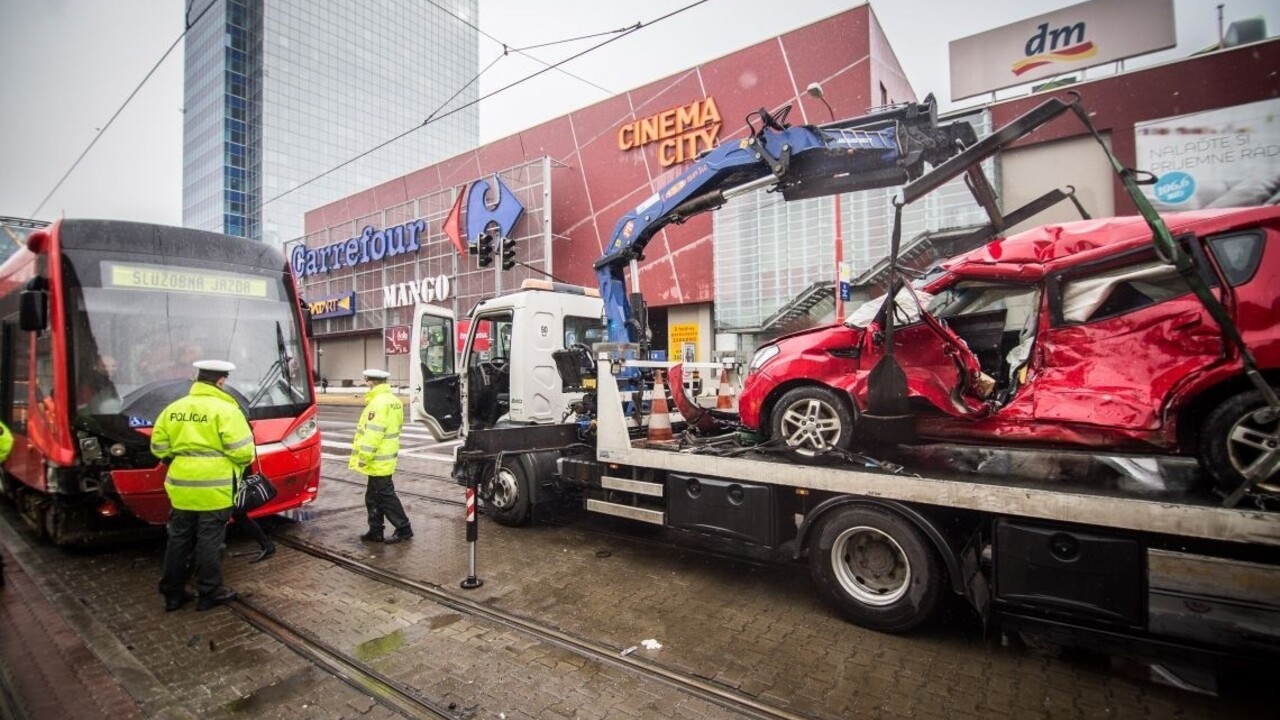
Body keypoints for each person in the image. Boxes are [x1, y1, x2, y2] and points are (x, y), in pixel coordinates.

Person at [151, 360, 254, 611]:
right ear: (221, 381)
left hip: (181, 488)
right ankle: (210, 592)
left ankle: (173, 593)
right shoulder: (227, 410)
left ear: (198, 379)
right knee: (210, 540)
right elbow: (243, 453)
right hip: (215, 489)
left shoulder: (174, 409)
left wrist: (182, 459)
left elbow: (158, 448)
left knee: (178, 539)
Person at [350, 368, 412, 543]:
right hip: (387, 454)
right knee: (373, 496)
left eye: (366, 381)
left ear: (370, 382)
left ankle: (404, 528)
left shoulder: (377, 403)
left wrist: (363, 457)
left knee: (385, 495)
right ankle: (375, 530)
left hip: (377, 458)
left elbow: (373, 433)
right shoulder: (394, 401)